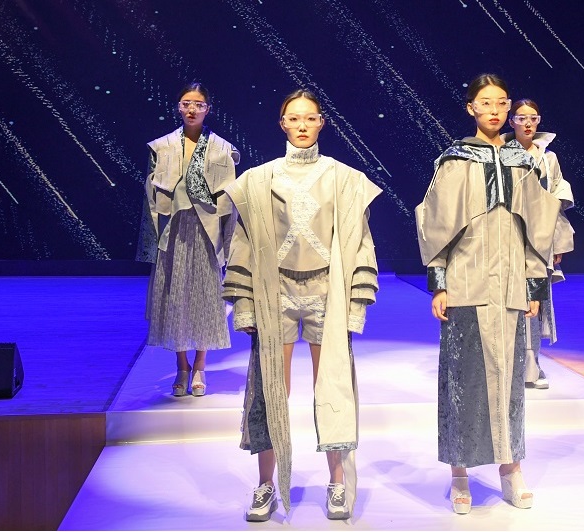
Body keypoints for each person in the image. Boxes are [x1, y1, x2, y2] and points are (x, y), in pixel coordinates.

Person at [222, 89, 381, 522]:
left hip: (327, 292)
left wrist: (354, 305)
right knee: (270, 389)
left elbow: (361, 242)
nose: (302, 125)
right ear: (282, 124)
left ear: (322, 122)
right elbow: (243, 244)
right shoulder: (258, 180)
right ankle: (265, 485)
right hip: (276, 293)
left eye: (310, 118)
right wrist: (246, 305)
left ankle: (337, 483)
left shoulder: (344, 178)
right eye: (294, 118)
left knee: (333, 386)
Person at [414, 74, 560, 514]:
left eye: (500, 103)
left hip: (511, 284)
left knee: (511, 382)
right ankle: (459, 473)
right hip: (466, 283)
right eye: (485, 103)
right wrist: (439, 283)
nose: (494, 111)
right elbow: (435, 224)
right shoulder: (455, 160)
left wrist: (534, 284)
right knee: (462, 381)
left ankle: (511, 469)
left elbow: (537, 229)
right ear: (471, 108)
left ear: (508, 107)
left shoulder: (524, 163)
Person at [140, 82, 240, 398]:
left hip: (206, 230)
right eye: (186, 103)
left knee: (206, 297)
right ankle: (181, 366)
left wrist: (230, 244)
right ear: (178, 107)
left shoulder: (222, 148)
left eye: (198, 104)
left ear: (208, 109)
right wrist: (151, 240)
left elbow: (231, 201)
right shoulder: (163, 146)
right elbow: (150, 198)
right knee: (176, 295)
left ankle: (200, 365)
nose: (192, 109)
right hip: (174, 229)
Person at [509, 98, 576, 391]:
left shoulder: (548, 158)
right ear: (511, 121)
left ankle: (532, 364)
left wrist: (557, 240)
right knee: (510, 300)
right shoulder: (501, 153)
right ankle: (510, 365)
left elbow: (555, 200)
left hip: (540, 238)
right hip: (509, 233)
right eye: (521, 118)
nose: (528, 123)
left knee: (535, 302)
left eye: (533, 118)